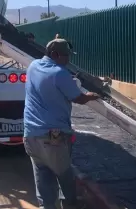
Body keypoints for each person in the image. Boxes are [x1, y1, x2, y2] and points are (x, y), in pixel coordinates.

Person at [23, 37, 100, 209]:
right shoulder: (60, 73)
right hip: (53, 136)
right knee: (64, 175)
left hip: (30, 135)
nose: (68, 60)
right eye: (66, 56)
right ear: (55, 54)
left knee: (43, 177)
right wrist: (92, 95)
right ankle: (70, 206)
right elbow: (79, 98)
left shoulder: (33, 66)